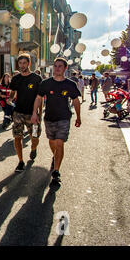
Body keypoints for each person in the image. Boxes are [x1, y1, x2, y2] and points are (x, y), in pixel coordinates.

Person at [31, 58, 81, 186]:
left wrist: (78, 117)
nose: (57, 68)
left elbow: (75, 101)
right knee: (52, 142)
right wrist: (34, 113)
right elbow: (38, 98)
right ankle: (55, 157)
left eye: (60, 66)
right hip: (49, 118)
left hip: (64, 118)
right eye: (55, 66)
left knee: (59, 143)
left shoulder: (70, 84)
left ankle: (56, 171)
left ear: (65, 68)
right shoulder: (46, 83)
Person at [7, 53, 43, 172]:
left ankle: (33, 148)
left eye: (24, 63)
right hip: (18, 113)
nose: (22, 65)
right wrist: (10, 98)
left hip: (32, 113)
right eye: (20, 63)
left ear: (29, 63)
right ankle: (20, 161)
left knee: (34, 137)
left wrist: (39, 114)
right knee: (17, 137)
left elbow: (40, 97)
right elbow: (13, 92)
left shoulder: (36, 79)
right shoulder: (16, 78)